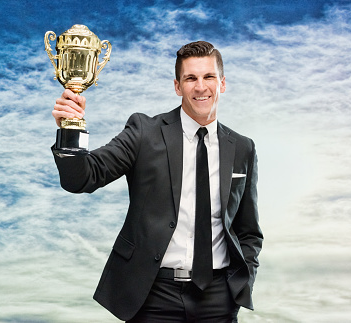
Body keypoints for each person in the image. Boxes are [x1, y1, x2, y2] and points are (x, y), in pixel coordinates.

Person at [52, 41, 263, 323]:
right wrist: (71, 128)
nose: (200, 87)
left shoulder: (243, 148)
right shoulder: (144, 133)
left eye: (208, 77)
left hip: (218, 299)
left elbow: (248, 231)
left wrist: (238, 289)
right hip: (153, 296)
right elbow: (83, 178)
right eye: (190, 78)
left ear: (222, 83)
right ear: (178, 86)